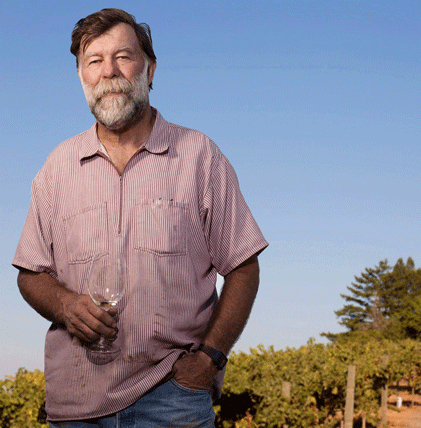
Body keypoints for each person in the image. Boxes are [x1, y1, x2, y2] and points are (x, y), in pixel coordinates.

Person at [12, 8, 268, 427]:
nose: (108, 71)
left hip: (173, 399)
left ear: (150, 70)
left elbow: (243, 265)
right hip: (75, 404)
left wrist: (210, 358)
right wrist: (65, 304)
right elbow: (30, 273)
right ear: (81, 77)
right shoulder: (55, 168)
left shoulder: (200, 157)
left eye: (123, 57)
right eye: (94, 61)